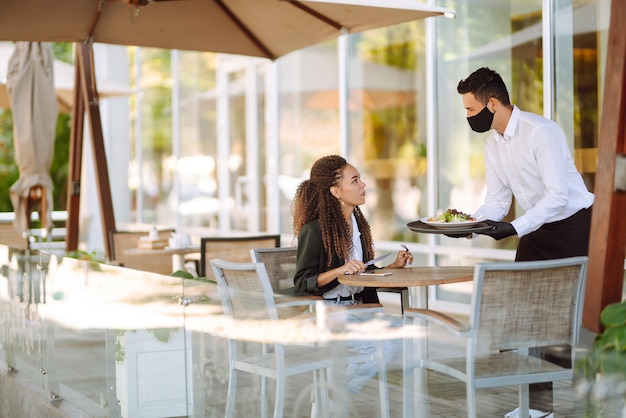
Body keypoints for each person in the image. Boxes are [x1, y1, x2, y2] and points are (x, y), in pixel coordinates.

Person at [456, 67, 594, 418]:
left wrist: (513, 228)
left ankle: (607, 395)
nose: (468, 117)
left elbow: (558, 195)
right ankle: (539, 408)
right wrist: (471, 224)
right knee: (529, 317)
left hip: (575, 226)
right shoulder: (493, 143)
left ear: (491, 102)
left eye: (470, 110)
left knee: (582, 318)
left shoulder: (540, 131)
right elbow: (498, 200)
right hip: (536, 227)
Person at [291, 154, 412, 395]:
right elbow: (303, 283)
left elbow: (363, 274)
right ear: (336, 191)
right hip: (332, 314)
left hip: (361, 309)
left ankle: (338, 391)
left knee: (401, 337)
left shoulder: (358, 226)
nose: (363, 185)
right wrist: (339, 270)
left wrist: (395, 266)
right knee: (387, 345)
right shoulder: (314, 231)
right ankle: (341, 391)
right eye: (355, 180)